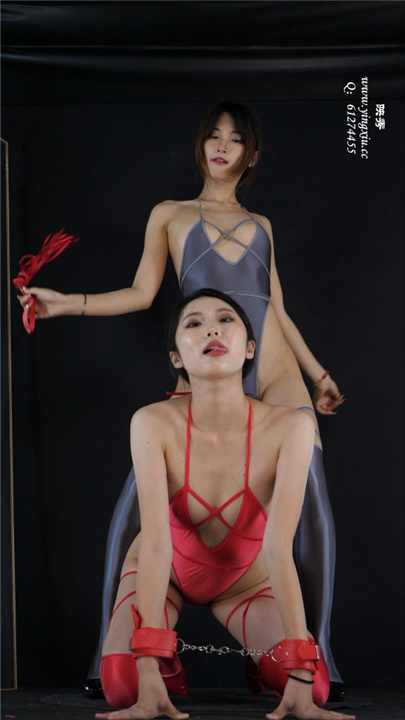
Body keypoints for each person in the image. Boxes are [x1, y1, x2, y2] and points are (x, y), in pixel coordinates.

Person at [19, 102, 345, 696]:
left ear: (251, 153)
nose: (221, 146)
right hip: (210, 376)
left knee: (313, 505)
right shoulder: (170, 215)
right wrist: (68, 303)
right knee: (139, 505)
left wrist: (318, 373)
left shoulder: (263, 224)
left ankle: (320, 653)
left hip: (275, 372)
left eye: (235, 139)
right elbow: (143, 293)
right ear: (201, 145)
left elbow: (276, 307)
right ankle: (103, 651)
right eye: (213, 136)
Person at [93, 289, 354, 720]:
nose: (211, 329)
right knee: (123, 687)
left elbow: (278, 548)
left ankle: (261, 661)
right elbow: (156, 544)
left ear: (250, 348)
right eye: (194, 324)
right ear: (177, 357)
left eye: (225, 319)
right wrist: (149, 663)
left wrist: (300, 670)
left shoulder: (292, 426)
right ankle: (168, 667)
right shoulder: (151, 423)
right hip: (165, 572)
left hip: (244, 582)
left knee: (317, 689)